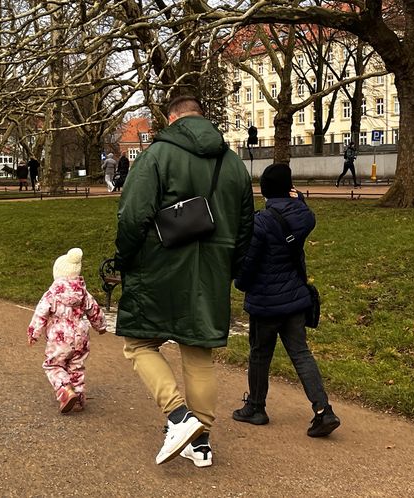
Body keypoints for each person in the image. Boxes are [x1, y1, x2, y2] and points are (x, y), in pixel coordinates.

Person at [114, 95, 254, 467]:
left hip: (160, 263)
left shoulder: (157, 155)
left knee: (139, 343)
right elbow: (245, 228)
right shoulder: (234, 164)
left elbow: (132, 216)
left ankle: (179, 417)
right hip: (212, 268)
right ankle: (202, 442)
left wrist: (123, 259)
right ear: (202, 118)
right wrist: (232, 267)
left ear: (172, 118)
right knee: (198, 352)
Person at [232, 163, 341, 437]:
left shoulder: (262, 222)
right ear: (289, 188)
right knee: (301, 354)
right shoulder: (303, 216)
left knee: (260, 353)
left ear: (264, 190)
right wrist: (298, 198)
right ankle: (323, 409)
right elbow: (302, 212)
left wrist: (240, 283)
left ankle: (256, 407)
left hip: (266, 301)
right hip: (294, 297)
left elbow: (249, 263)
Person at [27, 248, 107, 413]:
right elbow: (94, 310)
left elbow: (41, 312)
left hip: (60, 336)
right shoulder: (83, 294)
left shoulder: (52, 294)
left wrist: (34, 332)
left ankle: (64, 389)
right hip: (80, 335)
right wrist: (101, 326)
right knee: (76, 366)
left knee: (53, 365)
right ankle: (77, 399)